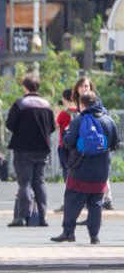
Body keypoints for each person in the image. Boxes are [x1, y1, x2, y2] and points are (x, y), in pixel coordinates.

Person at [52, 91, 119, 244]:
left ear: (82, 105)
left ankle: (68, 232)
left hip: (79, 168)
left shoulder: (78, 121)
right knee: (95, 203)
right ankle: (94, 236)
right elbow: (115, 143)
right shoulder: (108, 120)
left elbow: (67, 141)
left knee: (71, 201)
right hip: (100, 170)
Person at [5, 73, 56, 227]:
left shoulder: (20, 104)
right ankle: (42, 217)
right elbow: (52, 127)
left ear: (25, 87)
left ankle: (22, 217)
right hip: (42, 150)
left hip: (23, 150)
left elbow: (10, 125)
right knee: (39, 183)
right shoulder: (47, 105)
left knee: (25, 183)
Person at [72, 76, 112, 210]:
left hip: (97, 148)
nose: (84, 88)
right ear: (77, 88)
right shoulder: (77, 108)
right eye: (82, 86)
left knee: (97, 178)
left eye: (87, 86)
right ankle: (93, 209)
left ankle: (105, 198)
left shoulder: (99, 108)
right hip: (83, 150)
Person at [55, 88, 78, 179]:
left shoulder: (63, 113)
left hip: (64, 145)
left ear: (64, 99)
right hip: (76, 145)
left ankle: (68, 188)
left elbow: (55, 127)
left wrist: (56, 114)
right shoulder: (79, 112)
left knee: (66, 169)